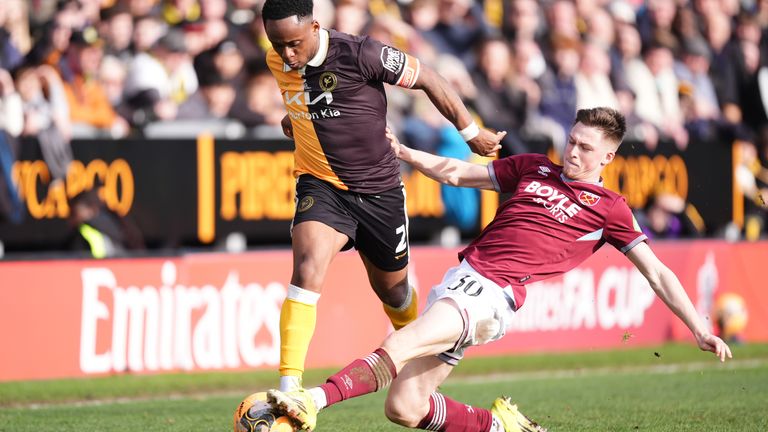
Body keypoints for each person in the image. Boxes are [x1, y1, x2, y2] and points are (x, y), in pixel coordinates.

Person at [257, 107, 732, 432]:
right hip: (463, 279)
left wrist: (698, 327)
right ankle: (499, 426)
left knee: (398, 344)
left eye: (586, 148)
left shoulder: (610, 208)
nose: (573, 152)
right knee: (404, 407)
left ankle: (309, 402)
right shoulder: (532, 168)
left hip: (491, 295)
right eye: (571, 140)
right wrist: (404, 153)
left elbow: (658, 273)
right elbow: (458, 173)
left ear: (608, 157)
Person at [259, 0, 505, 394]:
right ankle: (289, 389)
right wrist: (294, 119)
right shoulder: (278, 59)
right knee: (306, 267)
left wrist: (470, 132)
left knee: (392, 290)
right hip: (321, 185)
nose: (287, 54)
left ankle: (420, 364)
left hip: (380, 192)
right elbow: (309, 98)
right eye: (277, 44)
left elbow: (430, 77)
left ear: (315, 27)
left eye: (293, 44)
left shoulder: (362, 53)